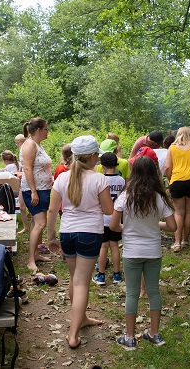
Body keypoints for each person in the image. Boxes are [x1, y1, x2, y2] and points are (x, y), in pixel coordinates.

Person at [46, 135, 112, 349]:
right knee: (82, 282)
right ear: (92, 156)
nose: (98, 159)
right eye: (97, 156)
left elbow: (52, 210)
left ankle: (81, 318)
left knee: (75, 279)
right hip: (89, 234)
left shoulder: (62, 178)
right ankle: (73, 334)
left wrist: (51, 237)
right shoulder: (98, 179)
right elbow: (108, 210)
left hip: (67, 233)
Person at [110, 156, 177, 350]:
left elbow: (113, 225)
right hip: (153, 251)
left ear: (134, 172)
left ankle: (130, 337)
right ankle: (154, 334)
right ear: (154, 173)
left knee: (132, 294)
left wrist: (129, 228)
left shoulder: (125, 196)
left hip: (131, 251)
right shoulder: (159, 197)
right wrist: (155, 225)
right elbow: (172, 227)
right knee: (153, 291)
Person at [20, 118, 54, 273]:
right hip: (35, 190)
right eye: (46, 129)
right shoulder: (30, 145)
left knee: (36, 222)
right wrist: (33, 191)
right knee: (40, 223)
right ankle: (30, 260)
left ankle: (36, 254)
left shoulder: (37, 144)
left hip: (43, 189)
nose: (47, 132)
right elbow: (27, 168)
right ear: (39, 130)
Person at [93, 152, 126, 286]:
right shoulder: (121, 180)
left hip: (102, 218)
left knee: (103, 246)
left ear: (102, 165)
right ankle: (117, 274)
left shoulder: (99, 179)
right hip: (116, 218)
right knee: (114, 245)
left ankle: (101, 275)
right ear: (116, 164)